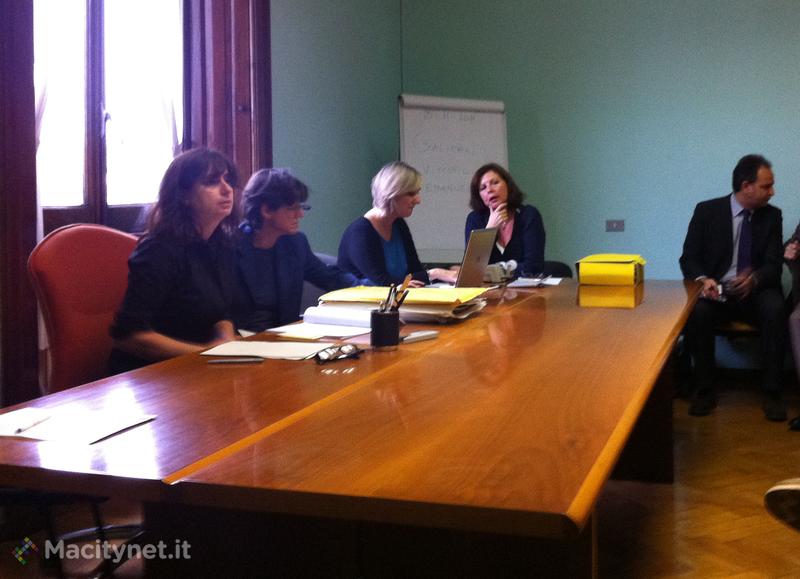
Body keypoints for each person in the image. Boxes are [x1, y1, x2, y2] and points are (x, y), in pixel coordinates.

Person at [109, 148, 239, 373]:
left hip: (199, 368)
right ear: (184, 195)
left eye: (228, 180)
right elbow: (129, 336)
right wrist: (205, 354)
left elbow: (222, 312)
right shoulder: (159, 249)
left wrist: (225, 338)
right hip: (149, 376)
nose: (227, 190)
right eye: (211, 182)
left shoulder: (221, 244)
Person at [679, 154, 786, 421]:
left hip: (757, 291)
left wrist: (755, 279)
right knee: (698, 311)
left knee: (775, 307)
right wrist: (704, 279)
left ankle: (773, 391)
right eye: (766, 186)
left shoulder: (772, 216)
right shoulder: (707, 211)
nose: (772, 192)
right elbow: (688, 258)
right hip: (718, 292)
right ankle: (704, 389)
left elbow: (774, 264)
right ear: (746, 185)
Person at [234, 168, 362, 332]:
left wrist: (378, 290)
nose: (300, 214)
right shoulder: (230, 246)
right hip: (240, 342)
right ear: (266, 210)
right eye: (291, 208)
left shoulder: (295, 244)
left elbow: (332, 277)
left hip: (284, 340)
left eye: (301, 207)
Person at [338, 161, 453, 286]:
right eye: (411, 194)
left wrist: (447, 271)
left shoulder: (398, 224)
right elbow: (383, 283)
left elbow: (415, 271)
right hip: (360, 304)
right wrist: (435, 273)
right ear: (391, 194)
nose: (418, 200)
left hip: (394, 302)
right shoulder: (360, 232)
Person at [465, 163, 546, 277]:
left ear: (508, 185)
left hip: (528, 291)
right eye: (483, 188)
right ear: (479, 196)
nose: (490, 190)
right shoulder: (474, 219)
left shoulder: (528, 215)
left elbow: (533, 266)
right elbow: (472, 270)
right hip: (488, 292)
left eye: (495, 183)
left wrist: (490, 272)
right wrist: (490, 229)